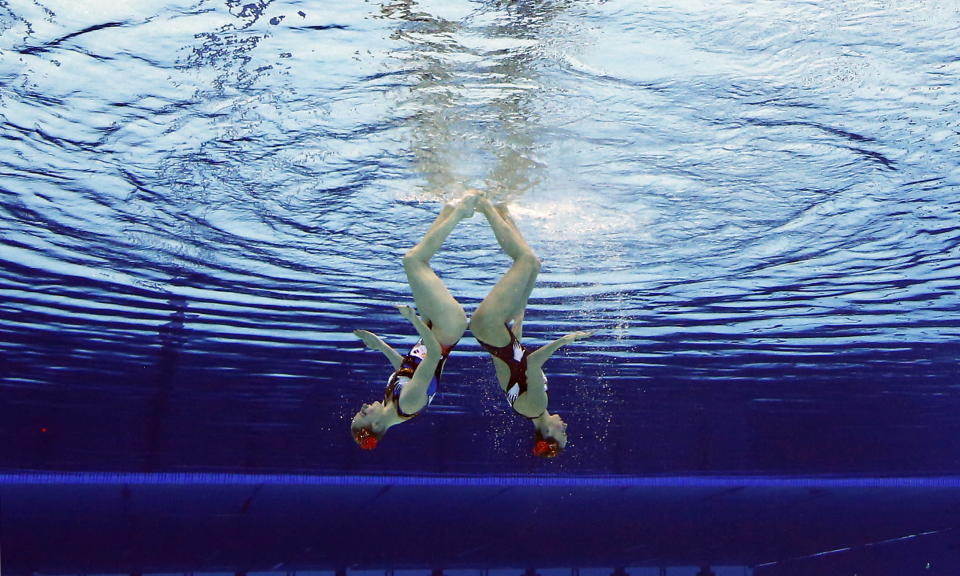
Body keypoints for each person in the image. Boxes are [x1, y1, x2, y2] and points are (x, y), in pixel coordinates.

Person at [350, 193, 480, 450]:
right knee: (413, 261)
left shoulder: (392, 402)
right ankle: (459, 211)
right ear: (375, 426)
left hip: (434, 327)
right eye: (364, 414)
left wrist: (381, 345)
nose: (364, 407)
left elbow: (408, 369)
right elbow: (432, 356)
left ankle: (452, 205)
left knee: (418, 262)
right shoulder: (407, 405)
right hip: (446, 329)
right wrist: (413, 320)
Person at [470, 197, 592, 458]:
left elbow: (533, 363)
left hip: (493, 330)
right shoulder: (526, 408)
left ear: (548, 433)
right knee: (533, 265)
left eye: (563, 433)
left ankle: (485, 205)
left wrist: (565, 340)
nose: (565, 427)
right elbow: (515, 363)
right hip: (497, 333)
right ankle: (502, 210)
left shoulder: (537, 405)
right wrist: (520, 316)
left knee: (524, 261)